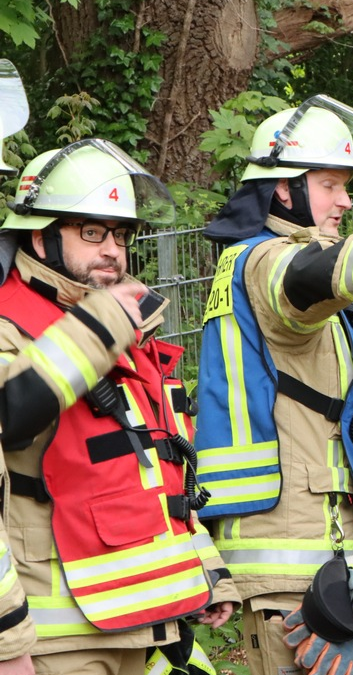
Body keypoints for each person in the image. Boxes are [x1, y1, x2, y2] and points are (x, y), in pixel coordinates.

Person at [193, 95, 353, 675]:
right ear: (284, 189)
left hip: (336, 551)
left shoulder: (288, 259)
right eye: (330, 185)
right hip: (292, 563)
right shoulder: (261, 262)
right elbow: (307, 279)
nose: (345, 200)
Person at [0, 139, 239, 675]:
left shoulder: (123, 327)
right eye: (92, 232)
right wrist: (8, 645)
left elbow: (156, 469)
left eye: (121, 235)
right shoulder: (12, 322)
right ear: (39, 236)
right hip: (55, 636)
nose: (112, 249)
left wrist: (204, 568)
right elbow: (11, 414)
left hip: (142, 616)